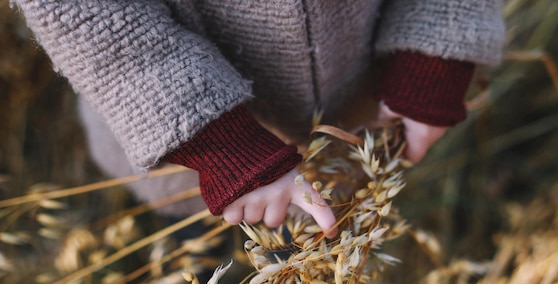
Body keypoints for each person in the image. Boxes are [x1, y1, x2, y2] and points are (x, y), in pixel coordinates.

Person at [14, 1, 505, 238]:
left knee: (322, 240)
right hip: (187, 145)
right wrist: (211, 137)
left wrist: (438, 43)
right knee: (193, 249)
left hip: (364, 104)